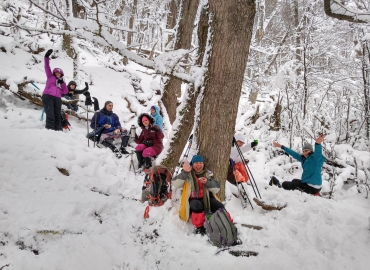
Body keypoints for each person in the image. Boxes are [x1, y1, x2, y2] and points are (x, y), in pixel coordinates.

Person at [172, 155, 232, 235]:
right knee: (197, 205)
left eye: (200, 163)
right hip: (193, 199)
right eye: (196, 163)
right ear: (192, 164)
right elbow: (176, 183)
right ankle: (199, 227)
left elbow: (216, 189)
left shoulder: (208, 174)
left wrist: (207, 182)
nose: (198, 165)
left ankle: (227, 221)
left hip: (206, 198)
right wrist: (185, 172)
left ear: (203, 164)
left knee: (219, 205)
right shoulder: (187, 174)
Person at [41, 49, 68, 131]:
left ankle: (59, 130)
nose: (58, 74)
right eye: (56, 72)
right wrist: (46, 57)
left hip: (57, 98)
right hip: (48, 96)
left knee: (57, 114)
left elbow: (65, 92)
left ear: (61, 74)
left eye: (59, 73)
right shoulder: (50, 76)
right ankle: (50, 130)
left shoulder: (62, 82)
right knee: (50, 114)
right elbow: (47, 67)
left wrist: (62, 83)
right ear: (54, 73)